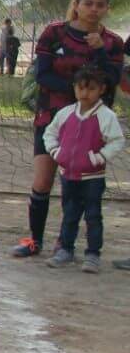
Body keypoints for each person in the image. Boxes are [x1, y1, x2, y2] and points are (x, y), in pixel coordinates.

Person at [12, 0, 124, 259]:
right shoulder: (55, 33)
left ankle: (69, 245)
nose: (93, 9)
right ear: (77, 5)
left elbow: (111, 82)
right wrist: (77, 94)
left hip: (92, 125)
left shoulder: (112, 42)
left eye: (100, 4)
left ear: (107, 9)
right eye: (88, 3)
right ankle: (34, 240)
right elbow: (43, 75)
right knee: (43, 180)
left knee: (80, 186)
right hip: (54, 115)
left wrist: (98, 52)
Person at [43, 65, 123, 272]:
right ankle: (66, 249)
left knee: (93, 216)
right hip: (68, 176)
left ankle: (93, 254)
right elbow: (49, 134)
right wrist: (56, 152)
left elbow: (117, 141)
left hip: (93, 178)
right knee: (69, 214)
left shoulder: (106, 117)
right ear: (75, 88)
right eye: (81, 88)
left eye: (91, 89)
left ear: (102, 90)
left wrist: (99, 157)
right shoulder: (65, 113)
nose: (85, 93)